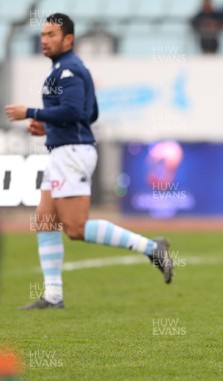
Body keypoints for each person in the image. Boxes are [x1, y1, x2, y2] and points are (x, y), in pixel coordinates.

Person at [4, 13, 173, 310]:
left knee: (75, 228)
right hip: (60, 151)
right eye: (43, 34)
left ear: (69, 39)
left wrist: (31, 112)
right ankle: (53, 296)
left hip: (72, 153)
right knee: (45, 220)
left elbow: (73, 112)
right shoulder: (65, 70)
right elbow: (89, 113)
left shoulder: (69, 71)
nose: (45, 40)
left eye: (52, 35)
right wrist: (48, 126)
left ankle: (151, 247)